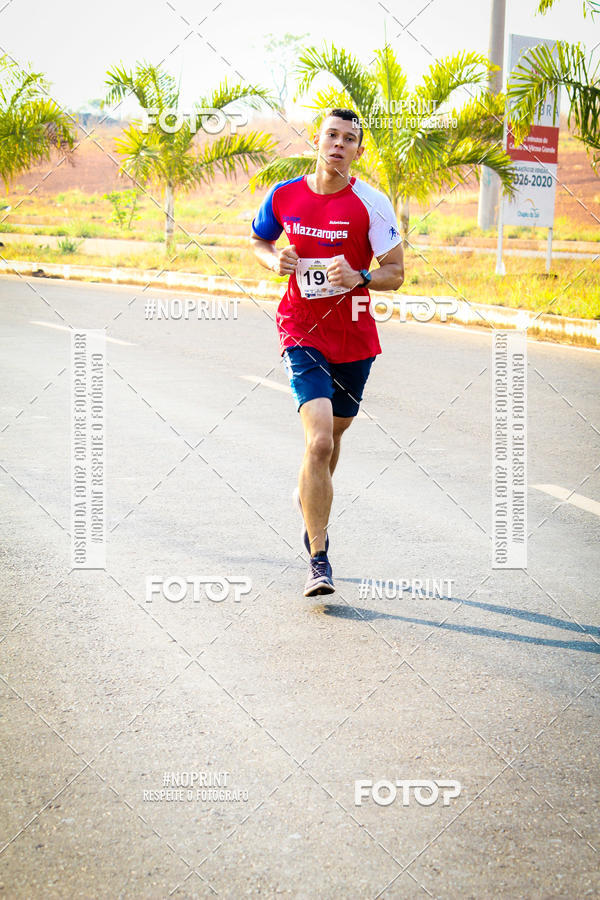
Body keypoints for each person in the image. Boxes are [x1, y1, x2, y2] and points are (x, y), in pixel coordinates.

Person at [250, 109, 404, 597]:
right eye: (331, 135)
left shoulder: (372, 203)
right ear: (316, 141)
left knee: (331, 444)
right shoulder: (284, 195)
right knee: (318, 442)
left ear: (358, 151)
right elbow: (259, 239)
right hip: (302, 330)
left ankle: (309, 493)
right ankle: (318, 558)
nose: (338, 144)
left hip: (355, 337)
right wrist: (275, 259)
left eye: (349, 139)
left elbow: (396, 272)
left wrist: (360, 277)